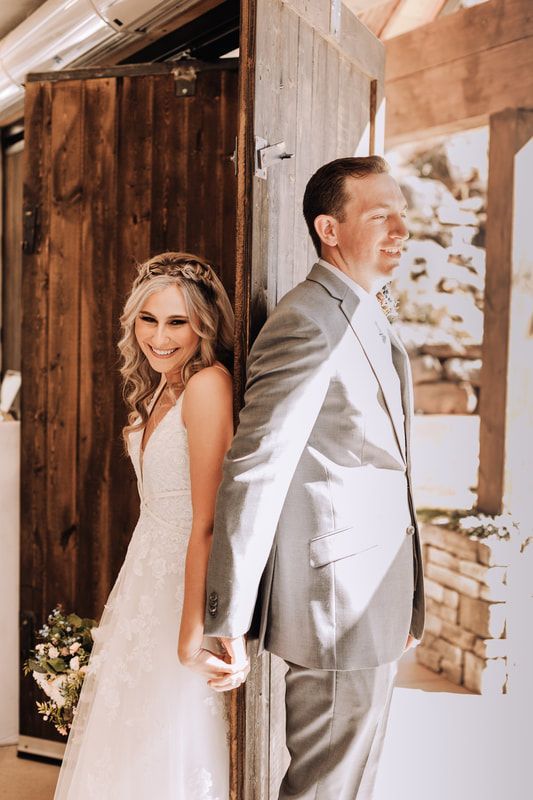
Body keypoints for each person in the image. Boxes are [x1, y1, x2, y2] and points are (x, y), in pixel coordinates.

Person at [201, 156, 425, 799]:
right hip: (336, 605)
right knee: (326, 789)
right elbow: (255, 468)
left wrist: (408, 595)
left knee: (352, 785)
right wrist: (229, 616)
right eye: (381, 215)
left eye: (401, 213)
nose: (400, 229)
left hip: (374, 600)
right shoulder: (307, 320)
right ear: (329, 228)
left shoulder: (365, 309)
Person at [54, 252, 248, 800]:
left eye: (177, 322)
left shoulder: (208, 384)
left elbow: (209, 519)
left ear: (204, 326)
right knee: (131, 742)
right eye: (148, 319)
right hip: (145, 573)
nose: (158, 337)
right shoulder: (160, 385)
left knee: (172, 739)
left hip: (183, 585)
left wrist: (193, 632)